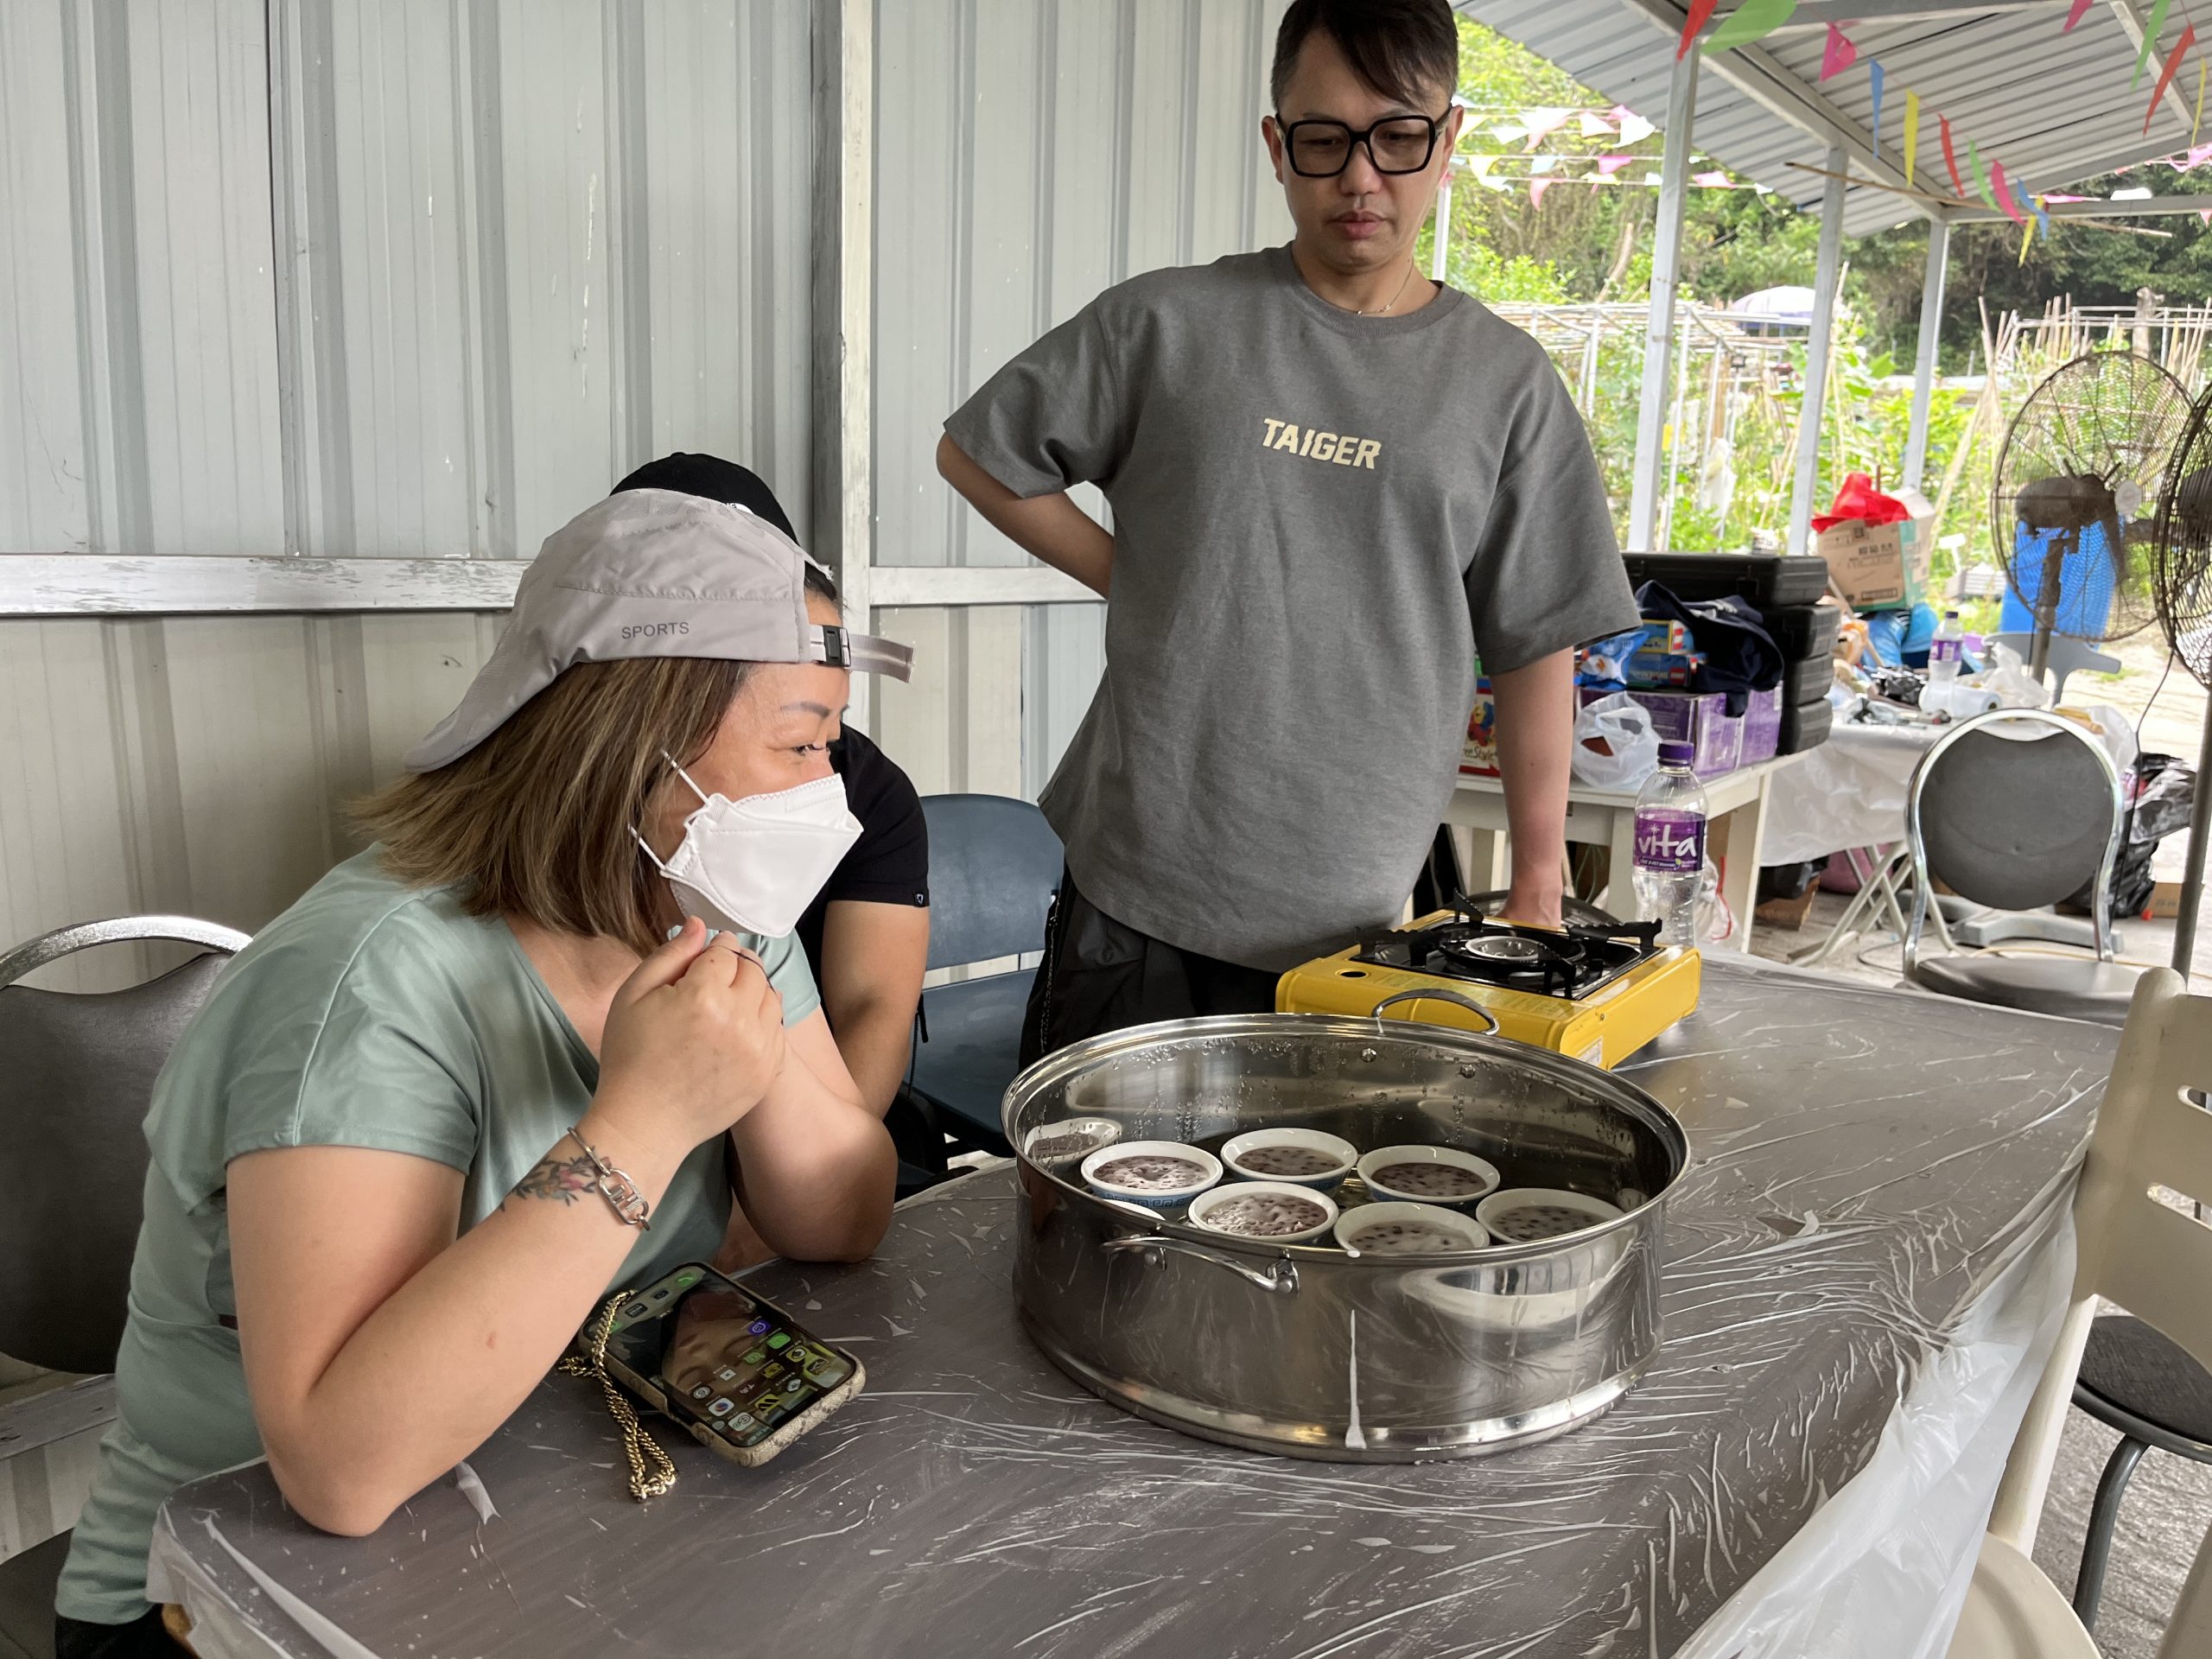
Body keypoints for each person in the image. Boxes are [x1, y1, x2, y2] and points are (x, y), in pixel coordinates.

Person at [52, 490, 913, 1657]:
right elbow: (342, 1470)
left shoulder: (706, 903)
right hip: (230, 1595)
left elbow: (843, 1218)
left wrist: (739, 1042)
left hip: (542, 1498)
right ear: (635, 745)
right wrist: (648, 1120)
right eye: (803, 743)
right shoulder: (366, 981)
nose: (830, 790)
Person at [938, 0, 1638, 1063]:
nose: (1360, 178)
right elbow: (981, 455)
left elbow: (1535, 638)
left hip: (1358, 918)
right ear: (1277, 146)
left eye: (1397, 137)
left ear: (1447, 141)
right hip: (1138, 887)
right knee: (1099, 1169)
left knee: (1323, 1174)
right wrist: (1140, 577)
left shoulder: (1504, 384)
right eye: (1324, 140)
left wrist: (1539, 882)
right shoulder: (1167, 323)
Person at [613, 456, 938, 1189]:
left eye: (820, 742)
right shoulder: (417, 951)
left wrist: (789, 1177)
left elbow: (872, 1013)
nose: (821, 783)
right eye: (796, 746)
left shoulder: (754, 922)